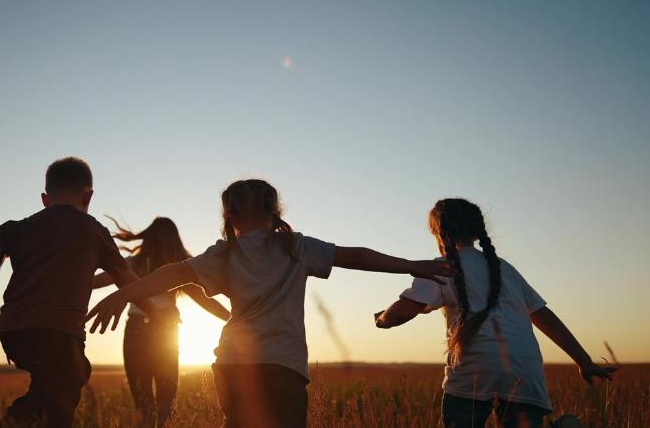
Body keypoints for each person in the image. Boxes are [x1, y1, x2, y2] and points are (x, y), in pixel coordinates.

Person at [85, 179, 453, 428]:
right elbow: (354, 255)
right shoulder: (297, 247)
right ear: (275, 209)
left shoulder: (223, 253)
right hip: (284, 366)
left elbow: (173, 273)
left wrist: (121, 294)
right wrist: (409, 265)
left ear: (228, 214)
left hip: (233, 365)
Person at [0, 157, 166, 428]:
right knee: (65, 389)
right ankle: (13, 422)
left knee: (58, 383)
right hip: (59, 332)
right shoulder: (94, 231)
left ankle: (24, 418)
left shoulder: (18, 228)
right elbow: (128, 281)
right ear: (89, 197)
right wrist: (156, 312)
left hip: (14, 331)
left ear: (45, 199)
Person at [375, 198, 617, 428]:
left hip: (473, 374)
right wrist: (584, 362)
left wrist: (382, 319)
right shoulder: (504, 269)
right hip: (525, 374)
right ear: (477, 231)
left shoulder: (440, 267)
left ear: (439, 233)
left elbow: (399, 314)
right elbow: (544, 317)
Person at [92, 216, 230, 427]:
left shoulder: (132, 264)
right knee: (166, 401)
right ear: (175, 241)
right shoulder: (181, 269)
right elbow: (205, 301)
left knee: (142, 402)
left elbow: (94, 282)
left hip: (137, 330)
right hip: (167, 332)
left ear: (148, 238)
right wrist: (236, 319)